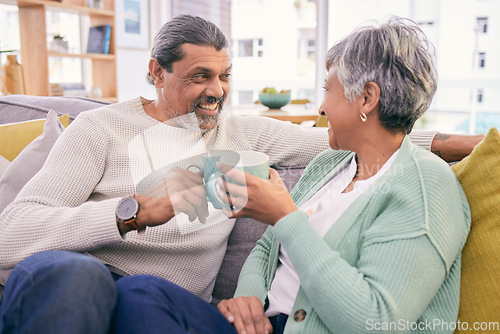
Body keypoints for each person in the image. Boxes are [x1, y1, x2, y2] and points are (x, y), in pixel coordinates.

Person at [0, 15, 473, 334]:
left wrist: (466, 144)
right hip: (78, 270)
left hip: (162, 305)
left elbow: (371, 140)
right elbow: (10, 235)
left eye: (224, 76)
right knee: (77, 281)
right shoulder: (99, 128)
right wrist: (133, 213)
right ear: (156, 73)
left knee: (140, 298)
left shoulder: (241, 135)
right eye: (200, 76)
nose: (216, 91)